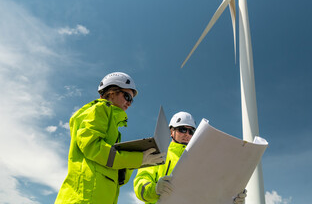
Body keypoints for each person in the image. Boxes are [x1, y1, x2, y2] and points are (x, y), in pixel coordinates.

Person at [55, 72, 165, 204]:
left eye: (131, 100)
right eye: (127, 97)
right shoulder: (99, 109)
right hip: (84, 199)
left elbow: (119, 179)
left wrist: (137, 162)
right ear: (112, 93)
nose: (129, 103)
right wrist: (137, 159)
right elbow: (92, 147)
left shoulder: (113, 128)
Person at [133, 111, 247, 204]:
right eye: (182, 129)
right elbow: (140, 185)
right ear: (171, 132)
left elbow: (210, 193)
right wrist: (155, 189)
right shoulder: (157, 155)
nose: (187, 134)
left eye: (191, 131)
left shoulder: (201, 161)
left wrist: (231, 200)